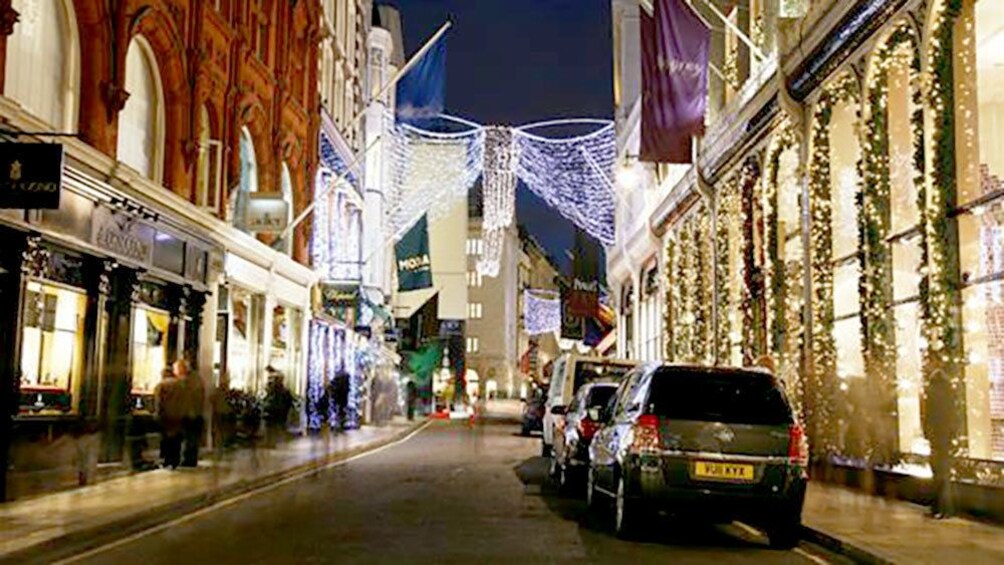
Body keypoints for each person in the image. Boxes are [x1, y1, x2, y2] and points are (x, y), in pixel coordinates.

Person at [175, 359, 205, 468]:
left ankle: (188, 460)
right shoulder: (197, 379)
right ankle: (191, 459)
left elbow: (184, 398)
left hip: (189, 414)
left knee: (189, 438)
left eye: (177, 369)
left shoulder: (186, 381)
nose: (175, 372)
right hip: (196, 414)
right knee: (192, 439)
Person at [155, 368, 184, 469]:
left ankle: (166, 460)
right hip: (178, 415)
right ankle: (175, 460)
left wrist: (158, 414)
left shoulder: (161, 385)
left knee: (166, 438)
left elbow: (159, 402)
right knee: (176, 438)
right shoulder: (180, 385)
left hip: (166, 415)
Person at [263, 369, 294, 447]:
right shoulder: (276, 390)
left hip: (277, 411)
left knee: (273, 427)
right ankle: (271, 442)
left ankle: (272, 442)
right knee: (271, 427)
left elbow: (287, 402)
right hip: (274, 410)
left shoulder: (281, 391)